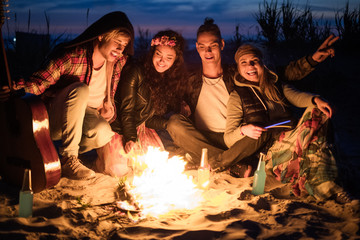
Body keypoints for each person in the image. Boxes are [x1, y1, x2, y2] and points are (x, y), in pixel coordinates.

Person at [166, 18, 339, 175]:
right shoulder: (189, 80)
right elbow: (165, 96)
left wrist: (313, 59)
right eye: (202, 46)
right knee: (174, 122)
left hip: (238, 140)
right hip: (203, 138)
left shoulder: (239, 73)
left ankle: (223, 161)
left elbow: (281, 74)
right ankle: (233, 164)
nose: (208, 51)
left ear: (222, 44)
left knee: (260, 129)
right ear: (196, 47)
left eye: (213, 45)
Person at [0, 11, 135, 180]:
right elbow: (40, 82)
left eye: (124, 44)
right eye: (117, 43)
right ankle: (69, 158)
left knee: (103, 132)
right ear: (101, 36)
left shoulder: (118, 62)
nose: (120, 49)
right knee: (81, 89)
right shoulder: (72, 55)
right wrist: (15, 89)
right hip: (55, 117)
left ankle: (59, 155)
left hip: (86, 116)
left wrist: (110, 107)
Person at [224, 43, 351, 203]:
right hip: (269, 152)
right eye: (244, 62)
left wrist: (315, 99)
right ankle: (329, 187)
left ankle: (326, 183)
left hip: (290, 138)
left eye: (254, 60)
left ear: (262, 64)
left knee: (317, 111)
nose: (250, 66)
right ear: (238, 68)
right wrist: (244, 129)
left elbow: (297, 96)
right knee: (312, 143)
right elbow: (228, 139)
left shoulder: (276, 85)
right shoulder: (238, 96)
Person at [95, 30, 188, 177]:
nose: (162, 61)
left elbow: (149, 116)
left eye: (169, 57)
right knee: (118, 170)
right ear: (152, 53)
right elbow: (127, 110)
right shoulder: (136, 71)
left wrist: (168, 123)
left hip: (142, 129)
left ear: (175, 60)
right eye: (158, 54)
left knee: (152, 167)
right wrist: (130, 138)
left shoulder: (169, 79)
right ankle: (101, 158)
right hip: (121, 126)